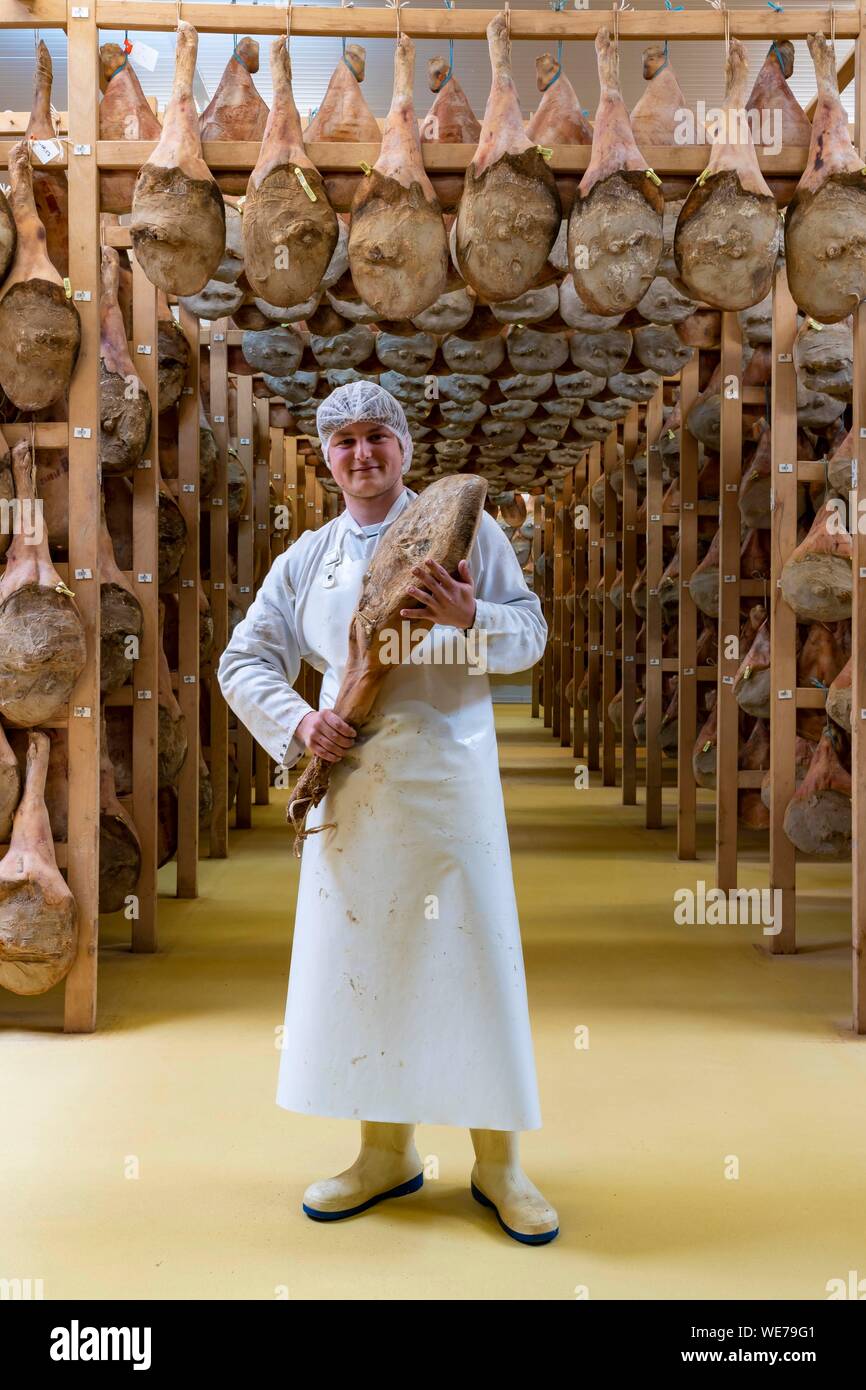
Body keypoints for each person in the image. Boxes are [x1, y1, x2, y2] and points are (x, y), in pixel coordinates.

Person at [217, 382, 559, 1245]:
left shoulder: (467, 529)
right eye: (344, 442)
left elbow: (531, 634)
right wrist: (301, 720)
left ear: (404, 447)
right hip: (355, 790)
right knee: (366, 962)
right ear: (327, 458)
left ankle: (499, 1165)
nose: (362, 453)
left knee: (470, 962)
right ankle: (384, 1152)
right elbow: (243, 659)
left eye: (378, 437)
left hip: (451, 782)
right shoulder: (308, 558)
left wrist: (471, 612)